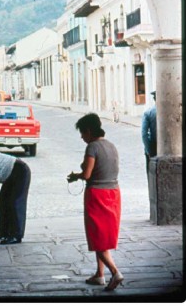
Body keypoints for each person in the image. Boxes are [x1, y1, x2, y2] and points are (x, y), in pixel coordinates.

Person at [67, 113, 123, 291]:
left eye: (82, 133)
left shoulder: (92, 147)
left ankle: (115, 272)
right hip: (113, 194)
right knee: (103, 235)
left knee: (96, 236)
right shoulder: (112, 146)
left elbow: (87, 175)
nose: (82, 137)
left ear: (89, 131)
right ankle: (100, 274)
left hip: (97, 195)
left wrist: (75, 176)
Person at [141, 90, 157, 177]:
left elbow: (144, 134)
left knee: (152, 176)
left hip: (153, 148)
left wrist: (149, 150)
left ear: (154, 99)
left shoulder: (148, 113)